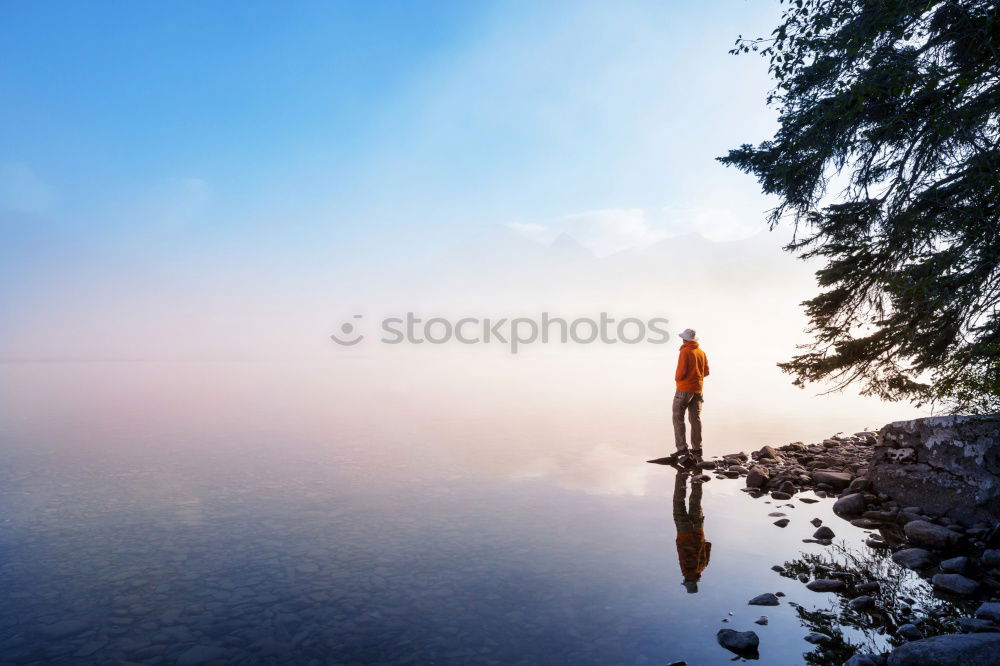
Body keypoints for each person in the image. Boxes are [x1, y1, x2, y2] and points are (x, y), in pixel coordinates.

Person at [673, 328, 709, 464]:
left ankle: (682, 448)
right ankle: (697, 450)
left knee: (678, 417)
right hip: (698, 390)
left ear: (685, 339)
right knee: (695, 420)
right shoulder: (701, 352)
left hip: (684, 390)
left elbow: (681, 372)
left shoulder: (685, 351)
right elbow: (706, 372)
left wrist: (677, 380)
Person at [673, 468, 711, 593]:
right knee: (678, 503)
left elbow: (708, 545)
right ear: (691, 581)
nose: (685, 578)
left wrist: (700, 540)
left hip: (699, 530)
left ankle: (696, 479)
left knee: (695, 502)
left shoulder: (703, 567)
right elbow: (685, 551)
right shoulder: (687, 570)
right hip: (684, 532)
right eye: (687, 581)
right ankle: (681, 477)